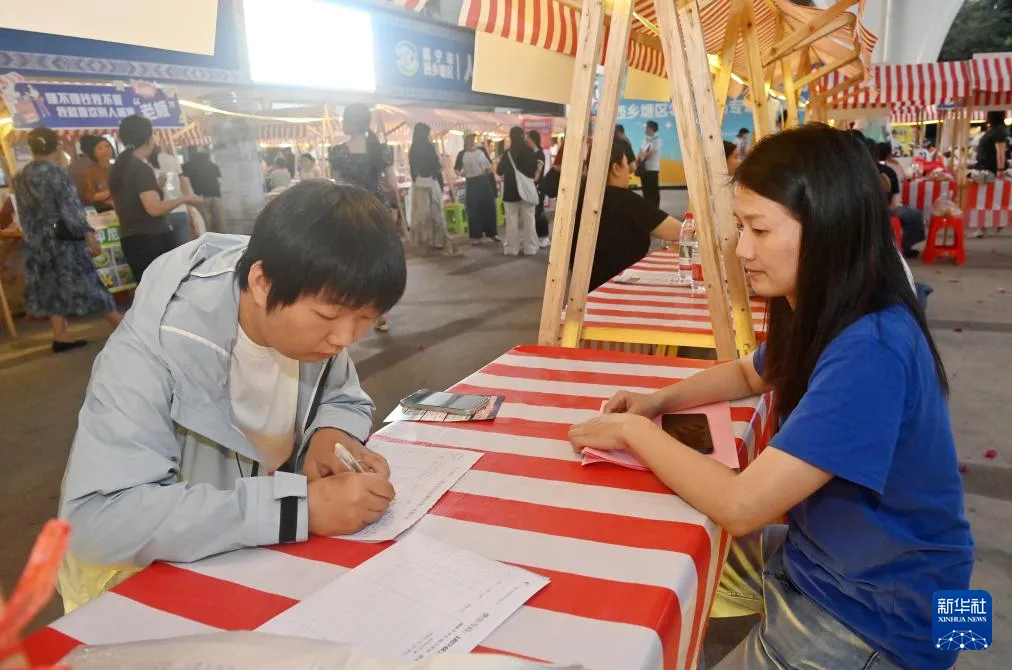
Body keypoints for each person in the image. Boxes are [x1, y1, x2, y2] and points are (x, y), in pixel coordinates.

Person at [569, 125, 972, 670]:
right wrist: (656, 402)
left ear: (829, 227)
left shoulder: (872, 348)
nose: (741, 249)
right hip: (838, 557)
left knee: (691, 536)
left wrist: (632, 430)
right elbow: (749, 373)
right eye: (741, 227)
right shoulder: (829, 305)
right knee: (660, 549)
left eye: (758, 229)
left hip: (888, 615)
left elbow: (742, 507)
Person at [57, 180, 407, 611]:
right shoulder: (155, 349)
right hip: (138, 588)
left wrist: (332, 435)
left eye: (366, 318)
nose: (344, 338)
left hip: (244, 562)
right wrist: (297, 510)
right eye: (328, 315)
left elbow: (342, 396)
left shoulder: (309, 299)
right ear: (261, 283)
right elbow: (98, 519)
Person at [11, 127, 121, 353]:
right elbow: (70, 208)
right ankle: (121, 325)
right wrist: (88, 234)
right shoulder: (57, 173)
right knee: (88, 281)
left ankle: (60, 335)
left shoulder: (20, 177)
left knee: (50, 286)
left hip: (37, 241)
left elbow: (23, 213)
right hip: (63, 240)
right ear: (57, 146)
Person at [573, 139, 682, 290]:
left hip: (585, 290)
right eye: (626, 165)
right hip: (621, 287)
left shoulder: (579, 199)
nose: (629, 172)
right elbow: (681, 232)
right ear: (616, 168)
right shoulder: (625, 200)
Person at [110, 115, 202, 282]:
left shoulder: (118, 167)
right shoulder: (140, 168)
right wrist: (184, 198)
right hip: (152, 239)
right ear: (149, 139)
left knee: (147, 291)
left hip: (130, 239)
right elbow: (154, 209)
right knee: (166, 289)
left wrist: (156, 186)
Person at [409, 122, 458, 255]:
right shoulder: (429, 147)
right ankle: (439, 241)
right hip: (432, 182)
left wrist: (418, 177)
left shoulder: (413, 149)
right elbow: (436, 166)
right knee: (436, 212)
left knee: (422, 215)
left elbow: (412, 170)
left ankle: (426, 242)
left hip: (419, 185)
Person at [497, 126, 540, 256]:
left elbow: (499, 171)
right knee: (529, 220)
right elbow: (534, 170)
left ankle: (512, 249)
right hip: (526, 190)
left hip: (510, 190)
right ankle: (530, 248)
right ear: (522, 136)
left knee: (511, 221)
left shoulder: (507, 153)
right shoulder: (530, 152)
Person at [454, 133, 499, 244]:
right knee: (473, 209)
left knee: (489, 206)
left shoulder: (481, 150)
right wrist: (461, 173)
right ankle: (476, 235)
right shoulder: (462, 154)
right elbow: (456, 169)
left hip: (483, 180)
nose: (472, 140)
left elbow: (489, 164)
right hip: (471, 182)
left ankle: (492, 233)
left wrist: (489, 169)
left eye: (473, 138)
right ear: (465, 140)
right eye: (470, 138)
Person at [149, 146, 196, 247]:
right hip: (180, 210)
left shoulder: (144, 164)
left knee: (167, 252)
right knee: (184, 250)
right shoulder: (171, 159)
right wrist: (188, 206)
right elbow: (183, 183)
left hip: (162, 213)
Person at [181, 150, 223, 233]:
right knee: (219, 222)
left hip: (199, 197)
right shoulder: (213, 166)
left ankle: (207, 238)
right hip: (216, 196)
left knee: (204, 223)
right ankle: (221, 237)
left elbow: (186, 182)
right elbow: (219, 182)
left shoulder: (186, 166)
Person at [528, 129, 552, 247]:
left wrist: (532, 180)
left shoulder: (539, 154)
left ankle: (544, 237)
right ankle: (538, 237)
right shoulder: (532, 153)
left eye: (528, 138)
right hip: (533, 186)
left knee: (539, 212)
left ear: (532, 139)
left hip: (538, 187)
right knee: (534, 213)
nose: (526, 140)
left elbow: (538, 172)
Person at [79, 137, 115, 212]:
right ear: (94, 153)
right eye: (100, 148)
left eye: (107, 146)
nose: (105, 150)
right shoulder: (90, 172)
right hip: (102, 210)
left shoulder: (117, 168)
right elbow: (89, 197)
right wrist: (112, 192)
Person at [975, 110, 1009, 174]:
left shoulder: (999, 130)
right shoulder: (994, 129)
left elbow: (1001, 153)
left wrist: (1000, 170)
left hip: (991, 171)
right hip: (985, 169)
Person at [68, 135, 100, 202]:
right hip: (98, 203)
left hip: (78, 204)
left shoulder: (71, 167)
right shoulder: (97, 166)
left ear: (81, 148)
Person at [637, 120, 662, 207]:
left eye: (646, 127)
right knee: (645, 190)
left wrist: (642, 156)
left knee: (653, 190)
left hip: (652, 169)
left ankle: (655, 208)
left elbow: (650, 153)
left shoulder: (657, 140)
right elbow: (640, 152)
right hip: (644, 169)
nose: (644, 129)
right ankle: (648, 207)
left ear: (651, 128)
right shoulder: (645, 140)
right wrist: (639, 157)